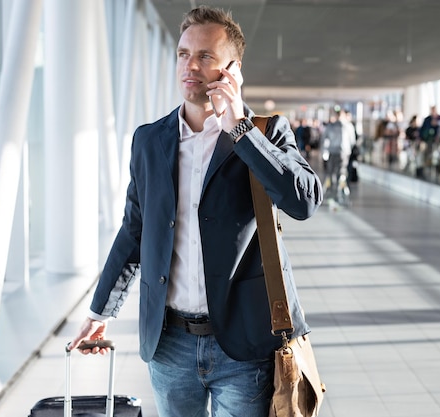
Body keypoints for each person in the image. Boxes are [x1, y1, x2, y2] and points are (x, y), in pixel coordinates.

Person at [68, 6, 323, 417]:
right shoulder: (150, 140)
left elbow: (304, 200)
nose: (191, 65)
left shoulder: (265, 132)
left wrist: (239, 129)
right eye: (184, 54)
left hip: (242, 345)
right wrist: (102, 310)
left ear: (232, 69)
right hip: (170, 343)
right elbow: (134, 231)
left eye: (205, 56)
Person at [321, 108, 356, 204]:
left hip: (332, 151)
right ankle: (339, 193)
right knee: (341, 172)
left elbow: (324, 139)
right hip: (344, 152)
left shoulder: (330, 127)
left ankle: (332, 192)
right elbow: (352, 141)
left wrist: (324, 152)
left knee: (331, 172)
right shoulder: (348, 126)